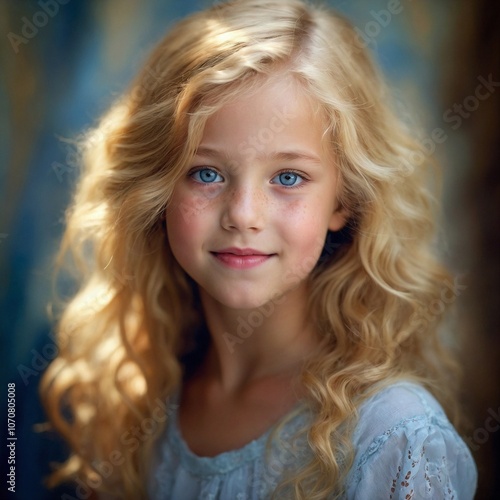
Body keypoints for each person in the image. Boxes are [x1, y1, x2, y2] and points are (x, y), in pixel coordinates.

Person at [40, 0, 478, 498]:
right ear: (157, 190)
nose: (243, 214)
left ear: (344, 200)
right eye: (206, 173)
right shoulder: (134, 403)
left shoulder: (394, 438)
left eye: (288, 177)